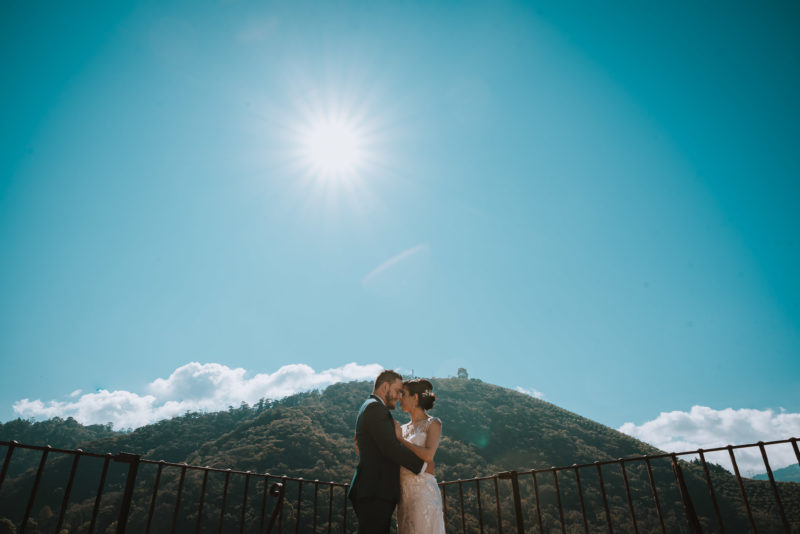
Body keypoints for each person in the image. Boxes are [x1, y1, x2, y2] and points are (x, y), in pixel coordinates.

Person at [348, 370, 435, 534]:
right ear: (385, 387)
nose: (398, 396)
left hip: (373, 490)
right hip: (375, 492)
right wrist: (423, 467)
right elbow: (390, 448)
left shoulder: (371, 407)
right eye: (397, 391)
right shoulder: (375, 408)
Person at [395, 378, 446, 533]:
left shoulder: (433, 424)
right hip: (403, 494)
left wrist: (401, 440)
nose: (399, 398)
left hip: (423, 492)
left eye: (403, 394)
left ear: (415, 397)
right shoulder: (401, 428)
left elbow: (428, 455)